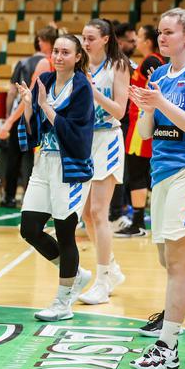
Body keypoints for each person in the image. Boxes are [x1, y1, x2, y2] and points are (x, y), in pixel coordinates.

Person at [129, 8, 185, 369]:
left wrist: (161, 104)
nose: (161, 38)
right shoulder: (160, 77)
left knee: (179, 263)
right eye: (159, 32)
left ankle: (167, 345)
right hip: (162, 174)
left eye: (169, 32)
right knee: (169, 261)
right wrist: (146, 109)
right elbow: (144, 135)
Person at [17, 34, 94, 321]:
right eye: (56, 51)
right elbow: (36, 129)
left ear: (77, 57)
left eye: (66, 52)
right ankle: (76, 274)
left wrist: (46, 106)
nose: (59, 56)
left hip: (71, 168)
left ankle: (63, 303)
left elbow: (76, 133)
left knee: (65, 233)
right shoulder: (46, 80)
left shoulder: (82, 87)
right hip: (44, 163)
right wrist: (28, 104)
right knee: (30, 228)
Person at [77, 19, 130, 306]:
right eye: (83, 38)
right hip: (85, 140)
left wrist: (93, 91)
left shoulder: (118, 67)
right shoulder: (81, 65)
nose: (85, 43)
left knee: (99, 212)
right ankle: (111, 268)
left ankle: (101, 281)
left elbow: (120, 111)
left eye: (90, 38)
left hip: (108, 139)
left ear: (105, 39)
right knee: (86, 213)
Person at [0, 26, 57, 208]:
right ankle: (38, 199)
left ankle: (11, 197)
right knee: (37, 159)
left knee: (16, 157)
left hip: (30, 116)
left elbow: (19, 95)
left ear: (41, 40)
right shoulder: (59, 62)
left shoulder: (33, 63)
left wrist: (8, 119)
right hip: (49, 117)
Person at [116, 25, 165, 238]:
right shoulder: (151, 60)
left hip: (140, 125)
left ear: (147, 41)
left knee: (137, 173)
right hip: (139, 124)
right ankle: (139, 222)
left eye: (140, 35)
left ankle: (137, 223)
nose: (136, 39)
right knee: (140, 174)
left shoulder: (151, 61)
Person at [108, 21, 138, 228]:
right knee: (117, 170)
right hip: (116, 121)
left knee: (121, 171)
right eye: (131, 40)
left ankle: (118, 211)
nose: (134, 43)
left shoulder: (125, 62)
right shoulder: (116, 64)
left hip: (126, 121)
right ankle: (116, 214)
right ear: (118, 40)